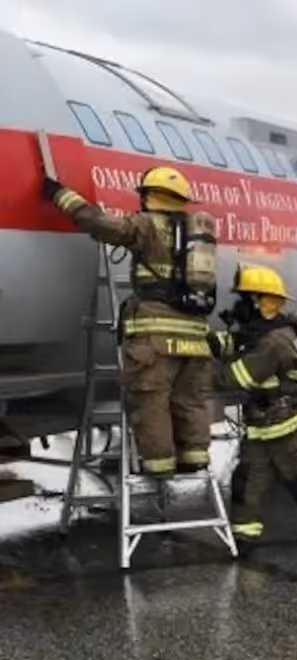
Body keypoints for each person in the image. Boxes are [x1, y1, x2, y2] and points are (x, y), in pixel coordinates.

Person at [44, 166, 218, 476]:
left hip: (156, 336)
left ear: (150, 197)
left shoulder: (147, 225)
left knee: (151, 401)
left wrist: (61, 195)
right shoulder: (196, 234)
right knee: (190, 401)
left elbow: (98, 224)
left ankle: (158, 466)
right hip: (196, 336)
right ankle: (194, 459)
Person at [210, 265, 297, 551]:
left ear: (267, 303)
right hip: (264, 427)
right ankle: (244, 537)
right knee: (247, 482)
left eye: (247, 299)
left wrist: (200, 371)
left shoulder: (276, 341)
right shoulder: (263, 334)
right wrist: (210, 342)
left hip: (295, 429)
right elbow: (240, 343)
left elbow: (239, 376)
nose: (240, 305)